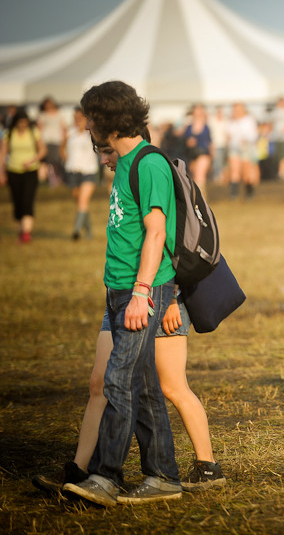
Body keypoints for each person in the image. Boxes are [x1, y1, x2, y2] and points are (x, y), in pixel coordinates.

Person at [33, 139, 225, 495]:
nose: (103, 159)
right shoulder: (123, 168)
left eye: (105, 150)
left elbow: (166, 241)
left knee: (170, 386)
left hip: (156, 296)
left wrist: (170, 300)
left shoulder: (150, 167)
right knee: (100, 382)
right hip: (121, 296)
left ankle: (207, 466)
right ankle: (78, 471)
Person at [61, 80, 182, 506]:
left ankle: (105, 476)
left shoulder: (148, 163)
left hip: (141, 291)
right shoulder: (125, 161)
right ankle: (163, 475)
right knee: (144, 384)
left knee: (119, 380)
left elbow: (156, 232)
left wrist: (141, 292)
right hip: (119, 289)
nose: (88, 127)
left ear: (108, 121)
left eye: (91, 119)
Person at [0, 110, 47, 243]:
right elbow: (3, 154)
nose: (22, 125)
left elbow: (43, 150)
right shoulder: (9, 134)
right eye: (20, 122)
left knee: (27, 199)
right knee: (17, 201)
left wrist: (33, 160)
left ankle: (26, 232)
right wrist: (2, 172)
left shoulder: (33, 132)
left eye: (24, 122)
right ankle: (21, 230)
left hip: (30, 171)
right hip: (13, 170)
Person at [63, 107, 100, 240]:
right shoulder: (69, 132)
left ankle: (76, 231)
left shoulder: (92, 133)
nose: (77, 120)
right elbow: (63, 149)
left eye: (80, 118)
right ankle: (89, 231)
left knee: (83, 201)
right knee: (81, 203)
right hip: (72, 170)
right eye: (76, 117)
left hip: (88, 171)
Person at [226, 102, 259, 199]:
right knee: (234, 170)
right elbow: (228, 135)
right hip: (234, 147)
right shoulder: (231, 122)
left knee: (247, 171)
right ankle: (233, 194)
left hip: (246, 147)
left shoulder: (249, 120)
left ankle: (249, 193)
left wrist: (246, 140)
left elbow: (253, 135)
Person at [180, 103, 212, 197]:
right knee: (194, 178)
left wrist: (211, 156)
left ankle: (201, 198)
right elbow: (183, 140)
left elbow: (210, 143)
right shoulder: (188, 127)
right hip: (191, 155)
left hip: (203, 153)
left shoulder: (206, 127)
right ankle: (198, 198)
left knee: (200, 176)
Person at [37, 96, 67, 187]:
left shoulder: (59, 114)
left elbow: (64, 128)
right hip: (46, 141)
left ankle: (57, 180)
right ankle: (48, 180)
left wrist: (64, 140)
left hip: (57, 141)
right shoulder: (42, 115)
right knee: (46, 162)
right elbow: (39, 129)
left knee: (57, 161)